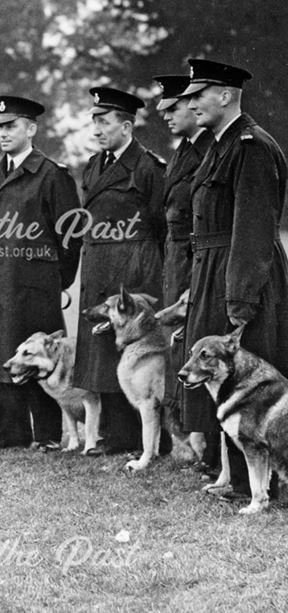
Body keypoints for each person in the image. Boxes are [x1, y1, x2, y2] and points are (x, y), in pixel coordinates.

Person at [179, 58, 288, 499]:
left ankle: (263, 484)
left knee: (252, 381)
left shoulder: (250, 147)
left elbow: (253, 231)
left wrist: (240, 301)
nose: (191, 104)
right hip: (217, 272)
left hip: (245, 277)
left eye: (197, 94)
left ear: (225, 95)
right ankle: (241, 480)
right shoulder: (221, 145)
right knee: (229, 384)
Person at [0, 95, 81, 452]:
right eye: (0, 127)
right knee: (4, 352)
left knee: (40, 354)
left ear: (31, 129)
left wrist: (57, 280)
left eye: (11, 126)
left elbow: (71, 233)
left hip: (36, 283)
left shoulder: (51, 174)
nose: (3, 133)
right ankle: (12, 431)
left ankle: (47, 433)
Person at [75, 86, 167, 456]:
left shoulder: (148, 167)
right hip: (98, 267)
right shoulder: (94, 165)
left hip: (134, 268)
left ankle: (143, 439)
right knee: (101, 350)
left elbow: (161, 223)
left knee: (137, 349)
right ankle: (116, 435)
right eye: (94, 122)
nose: (96, 130)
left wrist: (144, 267)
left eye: (104, 122)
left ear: (127, 126)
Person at [152, 74, 216, 466]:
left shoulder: (209, 149)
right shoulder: (183, 150)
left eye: (174, 108)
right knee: (181, 347)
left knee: (197, 347)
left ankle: (208, 446)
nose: (169, 116)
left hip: (197, 261)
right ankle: (197, 442)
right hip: (176, 259)